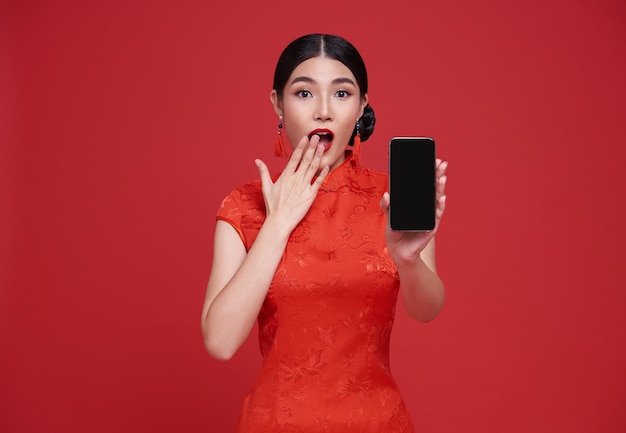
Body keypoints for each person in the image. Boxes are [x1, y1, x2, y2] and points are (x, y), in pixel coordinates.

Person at [201, 33, 448, 433]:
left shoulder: (392, 199)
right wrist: (278, 222)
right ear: (277, 103)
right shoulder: (244, 205)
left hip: (377, 422)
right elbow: (220, 341)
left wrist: (408, 259)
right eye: (303, 93)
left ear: (362, 106)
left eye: (341, 93)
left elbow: (426, 310)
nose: (323, 111)